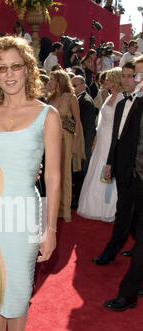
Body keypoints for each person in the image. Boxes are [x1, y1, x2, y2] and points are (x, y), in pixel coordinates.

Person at [0, 36, 61, 331]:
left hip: (25, 212)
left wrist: (51, 228)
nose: (9, 74)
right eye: (1, 68)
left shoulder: (48, 115)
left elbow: (55, 178)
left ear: (28, 69)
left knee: (19, 288)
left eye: (16, 66)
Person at [103, 56, 143, 311]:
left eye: (138, 74)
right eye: (134, 74)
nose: (136, 79)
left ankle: (129, 292)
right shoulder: (132, 101)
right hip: (133, 174)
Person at [92, 61, 141, 265]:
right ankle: (111, 251)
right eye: (125, 75)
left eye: (132, 76)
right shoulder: (121, 104)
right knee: (123, 212)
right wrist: (110, 164)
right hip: (122, 168)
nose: (127, 80)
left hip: (138, 171)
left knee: (137, 215)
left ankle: (138, 250)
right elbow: (116, 137)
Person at [77, 67, 123, 222]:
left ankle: (108, 208)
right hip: (101, 139)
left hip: (112, 141)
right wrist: (96, 139)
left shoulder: (121, 99)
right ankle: (93, 206)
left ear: (116, 80)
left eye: (109, 79)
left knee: (108, 171)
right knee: (96, 169)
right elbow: (101, 122)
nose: (105, 81)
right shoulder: (109, 96)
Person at [48, 70, 85, 222]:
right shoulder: (50, 97)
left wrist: (75, 143)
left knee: (64, 174)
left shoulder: (71, 97)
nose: (49, 82)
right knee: (51, 174)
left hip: (66, 139)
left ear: (59, 81)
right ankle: (53, 207)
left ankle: (64, 210)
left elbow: (77, 122)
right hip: (51, 139)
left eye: (51, 80)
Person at [71, 75, 96, 208]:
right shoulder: (79, 99)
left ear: (83, 85)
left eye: (74, 86)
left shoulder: (86, 101)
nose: (72, 88)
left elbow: (86, 127)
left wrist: (83, 145)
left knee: (81, 171)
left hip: (84, 142)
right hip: (80, 141)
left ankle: (79, 199)